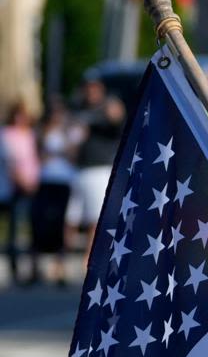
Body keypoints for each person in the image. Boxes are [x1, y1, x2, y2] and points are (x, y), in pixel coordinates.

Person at [69, 76, 125, 259]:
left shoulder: (108, 108)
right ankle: (63, 261)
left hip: (100, 170)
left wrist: (114, 111)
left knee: (95, 219)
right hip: (79, 170)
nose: (91, 92)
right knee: (72, 219)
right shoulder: (79, 109)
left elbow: (116, 119)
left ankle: (88, 259)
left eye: (94, 88)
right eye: (88, 88)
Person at [32, 97, 82, 285]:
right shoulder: (42, 131)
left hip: (64, 181)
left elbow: (73, 154)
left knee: (62, 224)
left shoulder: (70, 131)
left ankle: (60, 268)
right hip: (45, 180)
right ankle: (35, 266)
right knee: (40, 222)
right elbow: (41, 155)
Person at [2, 101, 41, 285]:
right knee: (16, 229)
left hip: (31, 184)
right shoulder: (6, 134)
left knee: (33, 227)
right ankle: (15, 268)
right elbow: (10, 161)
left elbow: (33, 158)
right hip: (14, 187)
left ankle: (33, 268)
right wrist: (22, 182)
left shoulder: (30, 134)